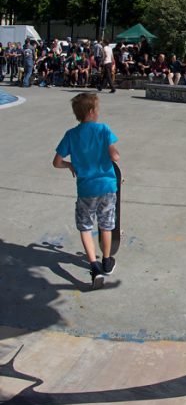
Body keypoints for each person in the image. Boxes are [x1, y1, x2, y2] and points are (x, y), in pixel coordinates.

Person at [53, 92, 120, 288]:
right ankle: (107, 261)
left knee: (85, 227)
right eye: (97, 109)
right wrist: (113, 154)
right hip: (107, 187)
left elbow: (57, 163)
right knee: (106, 225)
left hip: (85, 189)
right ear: (91, 111)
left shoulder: (71, 135)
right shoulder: (103, 130)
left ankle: (94, 266)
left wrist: (70, 165)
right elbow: (115, 157)